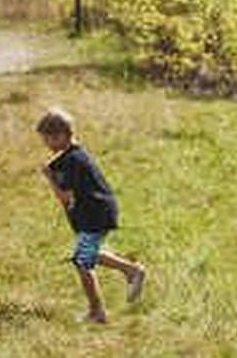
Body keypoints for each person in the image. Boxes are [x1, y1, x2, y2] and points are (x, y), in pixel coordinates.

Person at [37, 108, 146, 323]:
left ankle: (98, 312)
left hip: (95, 214)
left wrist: (49, 178)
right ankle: (131, 271)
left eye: (47, 139)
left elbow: (65, 198)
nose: (45, 144)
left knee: (81, 261)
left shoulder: (72, 162)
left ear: (60, 135)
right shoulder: (72, 154)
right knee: (89, 253)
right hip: (97, 212)